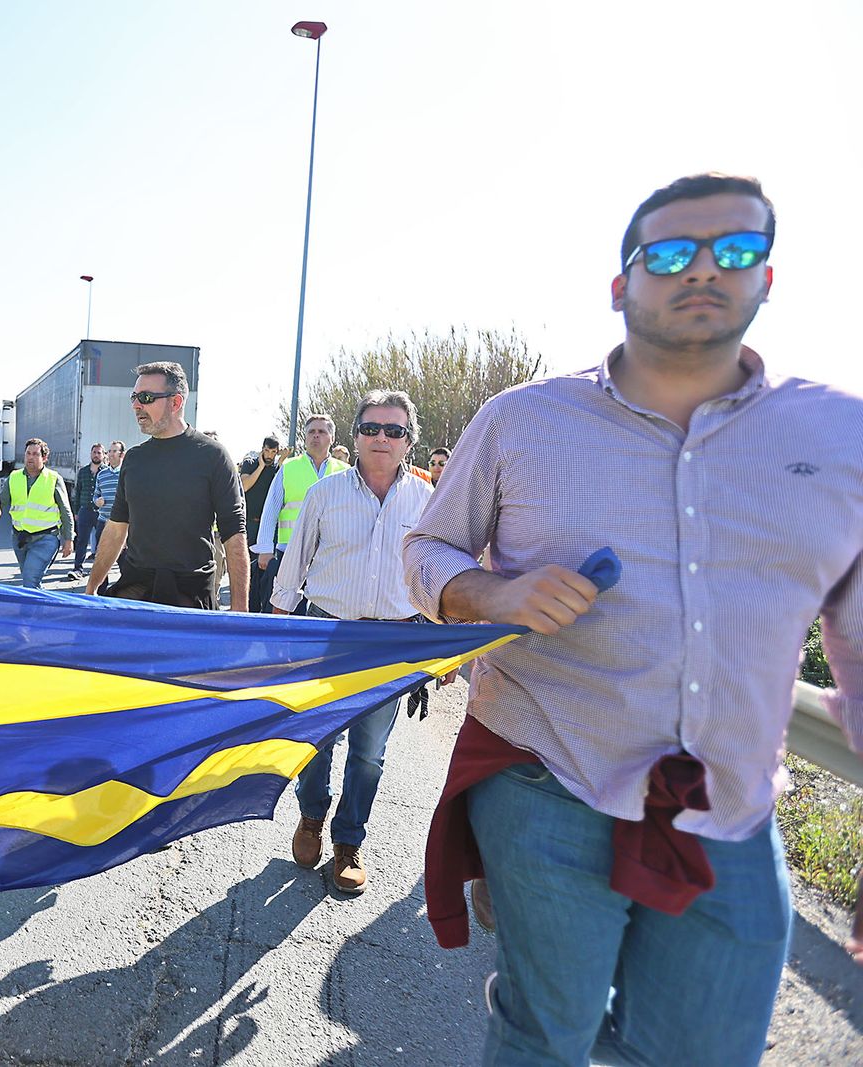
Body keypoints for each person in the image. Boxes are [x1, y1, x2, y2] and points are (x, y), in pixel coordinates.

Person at [404, 173, 863, 1067]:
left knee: (701, 1052)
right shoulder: (522, 420)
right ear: (622, 285)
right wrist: (491, 595)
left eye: (734, 251)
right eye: (668, 253)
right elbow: (426, 552)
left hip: (729, 807)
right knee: (547, 1033)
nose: (702, 270)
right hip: (547, 782)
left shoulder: (841, 440)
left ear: (766, 277)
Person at [273, 391, 440, 894]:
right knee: (318, 739)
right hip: (327, 631)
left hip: (392, 640)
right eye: (371, 428)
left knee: (369, 752)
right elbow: (294, 563)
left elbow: (435, 573)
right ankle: (310, 818)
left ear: (409, 440)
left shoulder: (426, 500)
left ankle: (349, 842)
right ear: (355, 434)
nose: (381, 439)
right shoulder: (325, 494)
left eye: (394, 430)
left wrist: (443, 643)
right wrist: (279, 628)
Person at [85, 362, 248, 610]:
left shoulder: (213, 456)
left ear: (176, 402)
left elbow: (234, 535)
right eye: (134, 398)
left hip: (190, 596)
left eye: (146, 397)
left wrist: (240, 609)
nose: (136, 405)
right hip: (137, 590)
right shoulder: (134, 459)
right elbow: (116, 529)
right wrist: (92, 588)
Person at [253, 414, 349, 615]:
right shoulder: (289, 467)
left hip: (329, 555)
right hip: (289, 552)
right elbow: (271, 509)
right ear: (304, 437)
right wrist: (264, 548)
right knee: (286, 611)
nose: (316, 436)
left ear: (331, 437)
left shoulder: (345, 472)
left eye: (322, 432)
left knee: (324, 614)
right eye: (311, 432)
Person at [0, 437, 74, 589]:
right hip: (20, 539)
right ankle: (44, 609)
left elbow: (65, 511)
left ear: (44, 458)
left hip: (45, 539)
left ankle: (29, 612)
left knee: (30, 580)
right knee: (31, 581)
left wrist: (69, 539)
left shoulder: (53, 479)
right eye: (28, 453)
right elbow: (0, 503)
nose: (30, 457)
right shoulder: (13, 477)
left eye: (35, 454)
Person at [239, 436, 282, 612]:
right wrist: (261, 466)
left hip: (268, 527)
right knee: (248, 568)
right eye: (267, 451)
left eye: (273, 452)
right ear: (262, 449)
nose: (269, 455)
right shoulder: (251, 462)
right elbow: (245, 485)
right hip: (250, 524)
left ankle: (260, 607)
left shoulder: (277, 468)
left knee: (264, 570)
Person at [66, 442, 104, 580]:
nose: (96, 454)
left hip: (101, 513)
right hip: (85, 511)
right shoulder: (83, 472)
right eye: (94, 452)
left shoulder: (106, 472)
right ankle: (77, 569)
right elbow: (78, 492)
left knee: (102, 543)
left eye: (99, 452)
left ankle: (99, 572)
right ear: (90, 454)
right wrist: (76, 512)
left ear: (103, 455)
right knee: (82, 540)